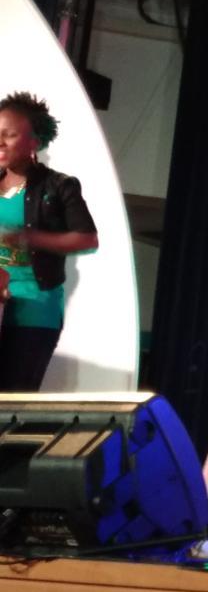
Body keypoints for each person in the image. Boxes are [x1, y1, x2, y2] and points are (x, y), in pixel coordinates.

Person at [0, 91, 98, 391]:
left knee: (12, 397)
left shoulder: (58, 186)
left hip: (33, 309)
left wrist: (31, 238)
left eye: (9, 135)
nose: (0, 142)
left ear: (35, 142)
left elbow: (87, 238)